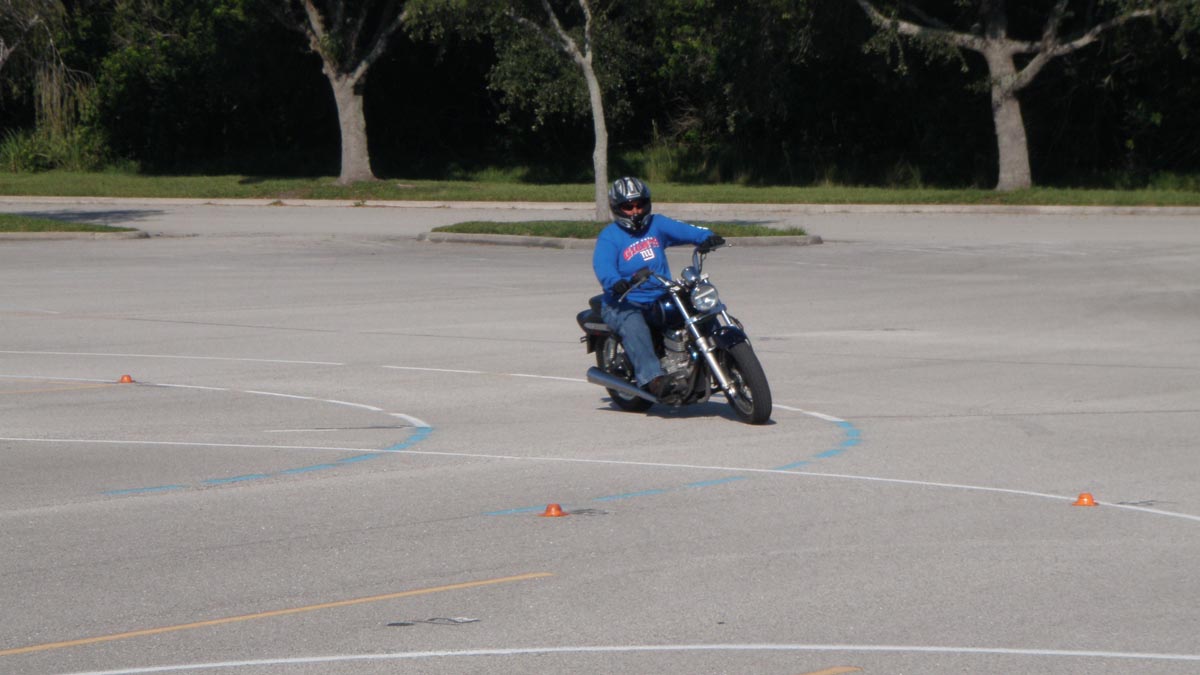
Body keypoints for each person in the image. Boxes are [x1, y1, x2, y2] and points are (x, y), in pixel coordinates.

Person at [592, 177, 725, 397]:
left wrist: (707, 236)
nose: (635, 211)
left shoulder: (657, 224)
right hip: (624, 300)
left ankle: (716, 354)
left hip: (660, 294)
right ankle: (653, 378)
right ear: (617, 208)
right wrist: (615, 282)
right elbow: (603, 265)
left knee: (697, 307)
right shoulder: (610, 236)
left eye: (640, 204)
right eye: (628, 207)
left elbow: (687, 230)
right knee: (634, 325)